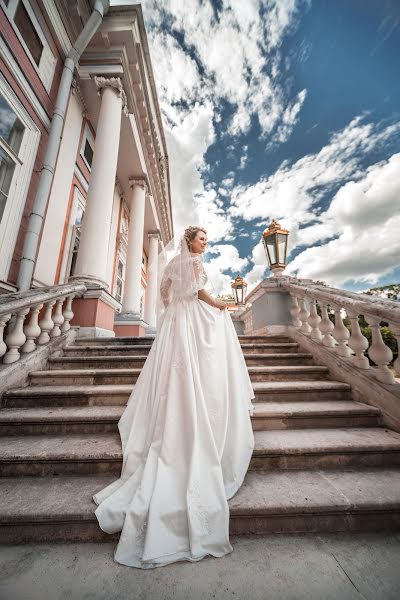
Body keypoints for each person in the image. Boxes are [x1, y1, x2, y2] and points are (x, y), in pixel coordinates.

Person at [93, 225, 255, 569]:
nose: (204, 244)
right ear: (189, 241)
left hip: (177, 322)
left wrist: (170, 309)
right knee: (197, 365)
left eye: (206, 241)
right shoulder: (193, 263)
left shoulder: (172, 265)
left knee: (176, 371)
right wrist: (223, 304)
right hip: (192, 318)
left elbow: (165, 292)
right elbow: (200, 295)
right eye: (201, 239)